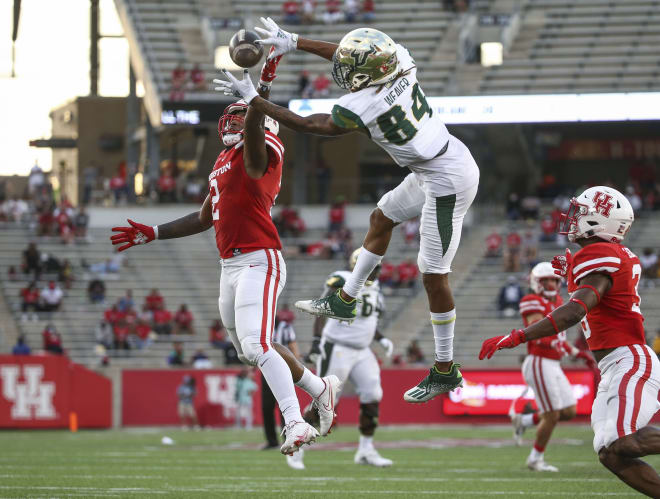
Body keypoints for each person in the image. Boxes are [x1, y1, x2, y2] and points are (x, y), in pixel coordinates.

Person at [222, 20, 480, 404]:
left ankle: (445, 368)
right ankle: (346, 297)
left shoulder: (363, 105)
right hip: (437, 163)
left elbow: (311, 124)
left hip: (448, 180)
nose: (342, 72)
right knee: (382, 217)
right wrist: (295, 41)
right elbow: (349, 56)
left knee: (433, 275)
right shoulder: (401, 61)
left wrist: (256, 101)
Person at [113, 52, 339, 457]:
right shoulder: (222, 159)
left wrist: (260, 92)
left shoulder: (263, 150)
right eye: (231, 117)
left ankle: (295, 421)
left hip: (259, 257)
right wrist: (155, 232)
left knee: (256, 344)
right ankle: (319, 388)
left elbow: (253, 137)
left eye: (240, 116)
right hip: (230, 264)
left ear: (260, 119)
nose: (231, 122)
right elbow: (205, 216)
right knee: (248, 348)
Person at [480, 186, 660, 496]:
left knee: (624, 440)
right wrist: (573, 274)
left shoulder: (599, 253)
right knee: (610, 452)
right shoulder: (607, 256)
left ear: (599, 221)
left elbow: (574, 311)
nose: (573, 219)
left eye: (581, 213)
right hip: (615, 363)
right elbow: (596, 294)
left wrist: (518, 336)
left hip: (628, 358)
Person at [301, 248, 394, 469]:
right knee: (326, 401)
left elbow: (368, 320)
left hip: (363, 349)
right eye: (371, 266)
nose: (375, 272)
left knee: (373, 394)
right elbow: (321, 309)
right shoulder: (342, 279)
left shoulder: (376, 287)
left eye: (377, 267)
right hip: (337, 347)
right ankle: (297, 441)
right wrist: (316, 340)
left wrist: (381, 339)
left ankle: (366, 449)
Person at [509, 262, 593, 471]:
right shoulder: (531, 300)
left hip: (553, 362)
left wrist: (579, 353)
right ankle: (535, 459)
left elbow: (559, 339)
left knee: (569, 411)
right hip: (539, 360)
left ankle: (525, 420)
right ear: (536, 282)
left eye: (554, 279)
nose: (550, 283)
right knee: (553, 414)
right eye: (545, 280)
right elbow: (538, 335)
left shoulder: (558, 301)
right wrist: (559, 344)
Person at [260, 315, 300, 467]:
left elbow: (293, 345)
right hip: (266, 370)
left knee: (285, 405)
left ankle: (287, 439)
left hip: (283, 369)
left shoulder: (285, 327)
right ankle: (271, 441)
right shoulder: (262, 326)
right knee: (267, 407)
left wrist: (296, 365)